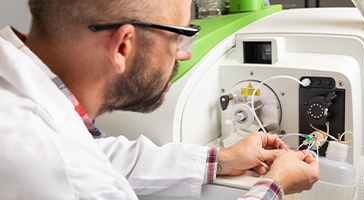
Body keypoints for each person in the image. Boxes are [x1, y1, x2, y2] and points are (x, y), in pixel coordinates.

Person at [0, 0, 319, 199]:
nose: (186, 52)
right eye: (179, 36)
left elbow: (96, 153)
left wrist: (222, 159)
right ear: (123, 47)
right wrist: (276, 185)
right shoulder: (75, 181)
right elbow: (78, 166)